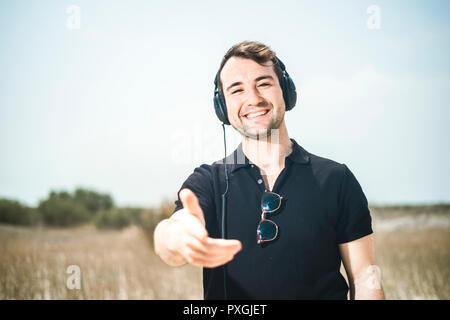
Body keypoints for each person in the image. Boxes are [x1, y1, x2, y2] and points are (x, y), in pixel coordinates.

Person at [154, 41, 385, 300]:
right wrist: (179, 237)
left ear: (286, 91)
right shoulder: (208, 181)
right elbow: (169, 238)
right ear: (222, 107)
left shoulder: (336, 179)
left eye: (263, 83)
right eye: (237, 90)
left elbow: (365, 278)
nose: (253, 99)